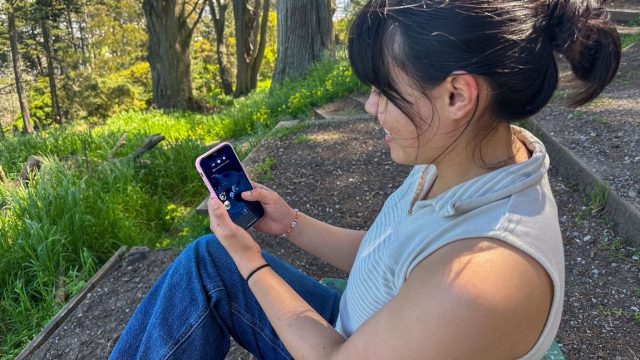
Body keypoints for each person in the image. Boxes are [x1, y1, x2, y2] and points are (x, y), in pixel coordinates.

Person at [110, 0, 621, 359]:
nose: (371, 106)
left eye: (383, 88)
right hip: (367, 326)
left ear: (457, 96)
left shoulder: (482, 274)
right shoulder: (464, 159)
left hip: (344, 346)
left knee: (221, 262)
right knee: (208, 258)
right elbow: (389, 257)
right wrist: (290, 224)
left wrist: (250, 263)